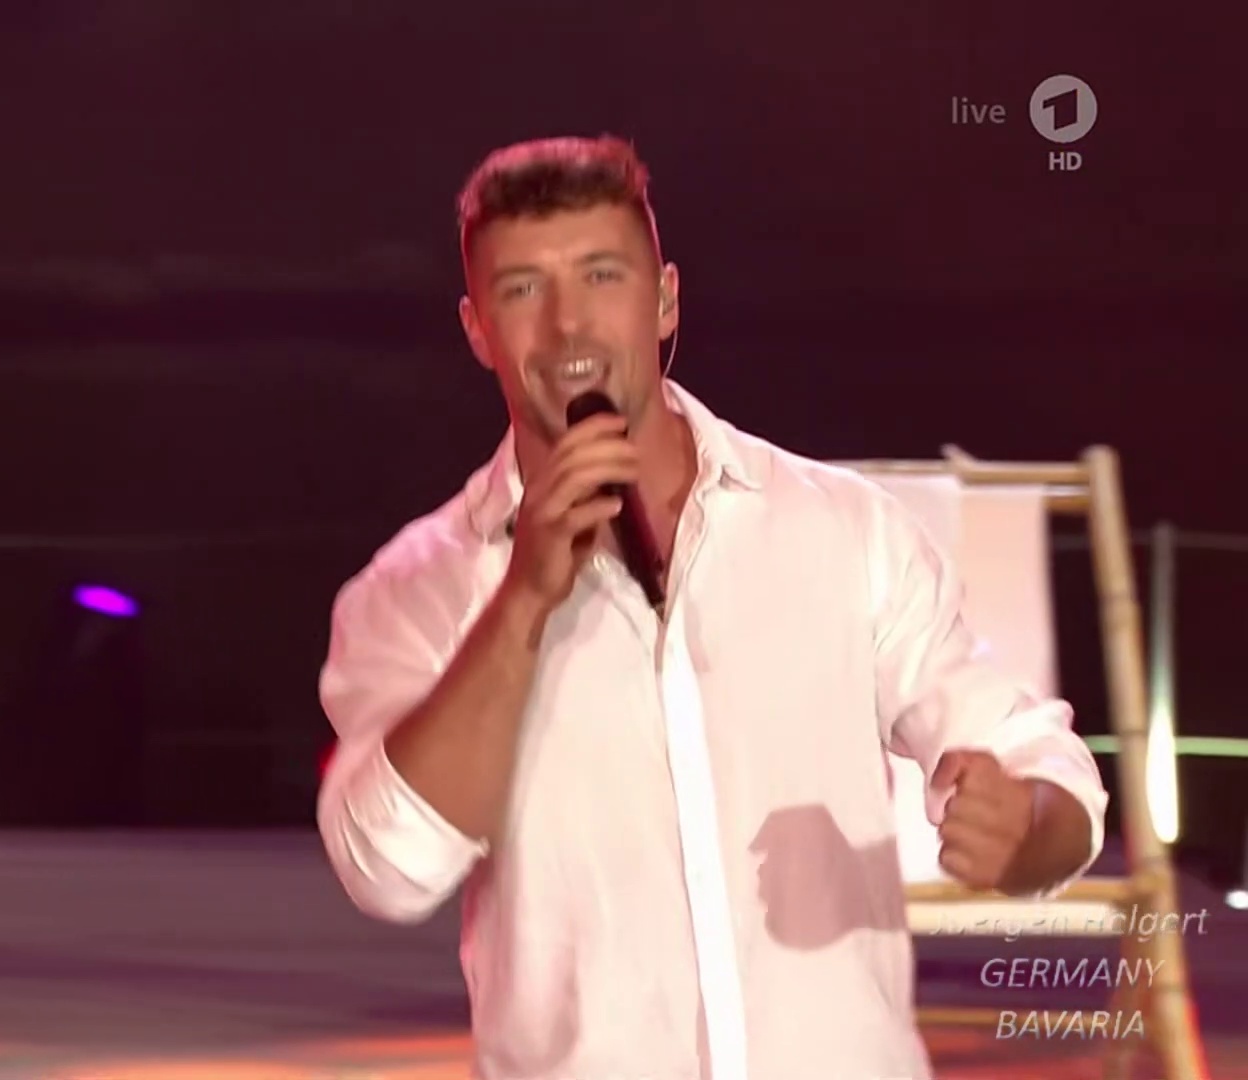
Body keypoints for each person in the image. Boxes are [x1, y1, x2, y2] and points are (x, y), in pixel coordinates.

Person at [313, 134, 1107, 1080]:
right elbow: (388, 868)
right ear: (478, 329)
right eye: (523, 289)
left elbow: (1041, 765)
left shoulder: (843, 530)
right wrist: (522, 601)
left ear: (665, 300)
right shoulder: (415, 587)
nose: (568, 326)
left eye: (602, 275)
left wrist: (1024, 827)